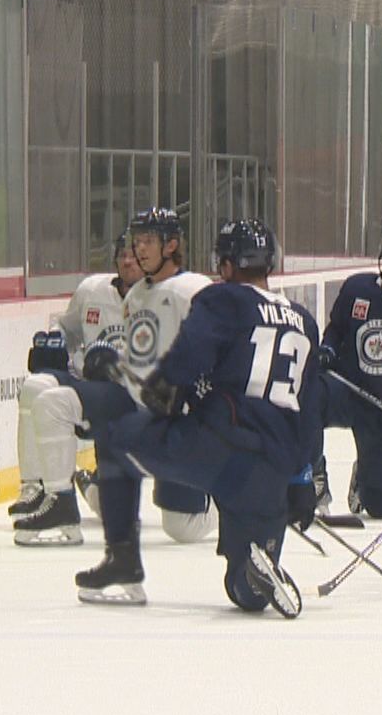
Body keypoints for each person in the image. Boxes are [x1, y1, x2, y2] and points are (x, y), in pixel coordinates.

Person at [74, 219, 322, 617]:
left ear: (225, 266)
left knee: (117, 439)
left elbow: (187, 362)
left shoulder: (222, 300)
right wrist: (302, 477)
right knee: (244, 591)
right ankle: (256, 567)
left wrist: (161, 396)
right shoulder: (304, 321)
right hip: (274, 469)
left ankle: (123, 566)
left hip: (222, 450)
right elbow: (311, 409)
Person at [20, 207, 214, 547]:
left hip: (180, 420)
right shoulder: (138, 296)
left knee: (181, 528)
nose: (138, 250)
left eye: (148, 241)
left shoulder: (195, 289)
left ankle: (225, 496)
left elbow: (217, 350)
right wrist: (110, 364)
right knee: (52, 401)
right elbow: (140, 359)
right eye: (136, 241)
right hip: (135, 405)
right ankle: (62, 508)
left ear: (170, 246)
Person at [12, 231, 142, 525]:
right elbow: (65, 329)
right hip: (92, 393)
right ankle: (34, 487)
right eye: (122, 254)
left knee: (123, 514)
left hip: (136, 405)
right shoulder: (92, 291)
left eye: (134, 254)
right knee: (35, 387)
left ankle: (95, 485)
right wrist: (54, 343)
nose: (127, 260)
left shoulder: (162, 298)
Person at [315, 227, 382, 519]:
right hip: (346, 391)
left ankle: (365, 472)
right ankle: (312, 476)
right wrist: (327, 349)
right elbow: (336, 329)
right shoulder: (358, 289)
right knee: (307, 398)